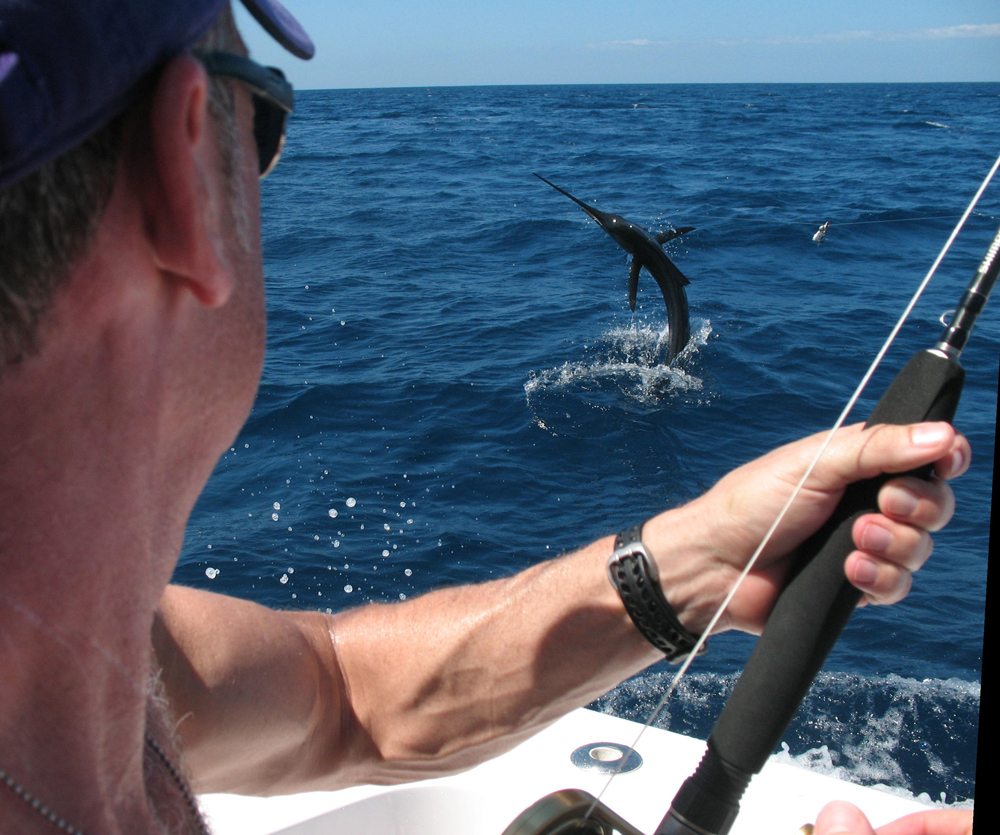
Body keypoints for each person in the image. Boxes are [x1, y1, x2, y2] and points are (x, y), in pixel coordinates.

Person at [0, 2, 975, 834]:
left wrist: (691, 562)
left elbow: (346, 698)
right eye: (262, 121)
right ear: (186, 182)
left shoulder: (105, 645)